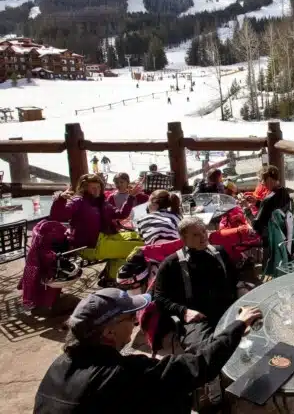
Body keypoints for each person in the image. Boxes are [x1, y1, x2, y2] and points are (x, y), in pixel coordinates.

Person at [34, 288, 262, 413]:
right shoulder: (124, 374)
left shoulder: (59, 365)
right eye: (130, 317)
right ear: (109, 332)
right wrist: (238, 325)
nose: (136, 322)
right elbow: (199, 365)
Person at [153, 217, 238, 352]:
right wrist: (184, 311)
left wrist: (242, 288)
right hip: (198, 318)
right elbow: (159, 298)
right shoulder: (171, 264)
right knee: (206, 352)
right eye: (195, 234)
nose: (203, 236)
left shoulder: (219, 253)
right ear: (183, 238)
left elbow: (235, 278)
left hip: (227, 309)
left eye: (204, 231)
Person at [50, 174, 143, 284]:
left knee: (141, 238)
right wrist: (60, 199)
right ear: (84, 188)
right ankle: (112, 277)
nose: (96, 190)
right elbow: (58, 216)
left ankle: (110, 275)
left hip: (104, 238)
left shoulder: (102, 202)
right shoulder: (78, 201)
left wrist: (131, 197)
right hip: (89, 246)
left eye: (98, 187)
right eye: (93, 188)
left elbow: (121, 214)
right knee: (139, 248)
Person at [249, 165, 291, 236]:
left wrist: (247, 210)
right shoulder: (284, 192)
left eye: (262, 180)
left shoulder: (268, 200)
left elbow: (256, 226)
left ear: (269, 179)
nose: (262, 183)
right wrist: (257, 202)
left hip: (269, 236)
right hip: (283, 230)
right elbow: (271, 208)